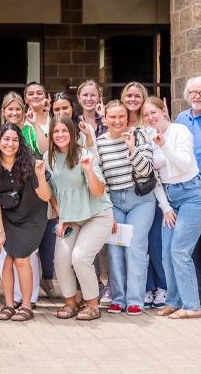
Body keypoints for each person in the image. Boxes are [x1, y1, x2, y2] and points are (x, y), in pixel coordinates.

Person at [46, 115, 113, 321]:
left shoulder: (84, 154)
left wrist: (88, 170)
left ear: (73, 133)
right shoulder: (47, 158)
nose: (60, 135)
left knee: (80, 257)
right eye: (56, 131)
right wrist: (62, 217)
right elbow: (53, 195)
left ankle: (92, 304)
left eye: (64, 130)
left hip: (97, 215)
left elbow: (99, 191)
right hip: (71, 218)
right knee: (61, 259)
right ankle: (71, 302)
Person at [143, 96, 201, 319]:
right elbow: (155, 178)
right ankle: (173, 301)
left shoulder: (180, 132)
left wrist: (163, 145)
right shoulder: (148, 137)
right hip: (169, 197)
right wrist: (165, 207)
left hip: (191, 194)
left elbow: (184, 164)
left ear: (163, 110)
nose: (150, 118)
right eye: (146, 115)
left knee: (180, 250)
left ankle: (193, 305)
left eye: (153, 113)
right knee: (166, 252)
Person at [95, 100, 156, 315]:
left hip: (140, 200)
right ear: (105, 119)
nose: (117, 121)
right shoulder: (100, 144)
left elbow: (146, 170)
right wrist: (107, 210)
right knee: (114, 249)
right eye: (112, 117)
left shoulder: (139, 136)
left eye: (121, 116)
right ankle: (118, 298)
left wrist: (131, 148)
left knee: (135, 247)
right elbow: (99, 179)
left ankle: (135, 299)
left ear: (126, 117)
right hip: (114, 202)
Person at [0, 123, 52, 322]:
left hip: (31, 217)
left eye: (15, 139)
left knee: (21, 259)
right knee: (8, 259)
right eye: (6, 139)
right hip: (7, 217)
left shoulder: (30, 162)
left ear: (20, 142)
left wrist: (41, 176)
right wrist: (0, 232)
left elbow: (45, 196)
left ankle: (26, 305)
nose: (10, 143)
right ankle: (8, 305)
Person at [176, 76, 201, 299]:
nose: (197, 96)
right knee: (190, 246)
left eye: (200, 92)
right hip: (186, 187)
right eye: (193, 92)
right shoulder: (181, 118)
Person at [1, 91, 48, 156]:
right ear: (3, 112)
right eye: (10, 109)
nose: (14, 113)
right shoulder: (0, 133)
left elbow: (45, 152)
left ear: (23, 111)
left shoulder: (30, 131)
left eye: (18, 109)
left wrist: (35, 123)